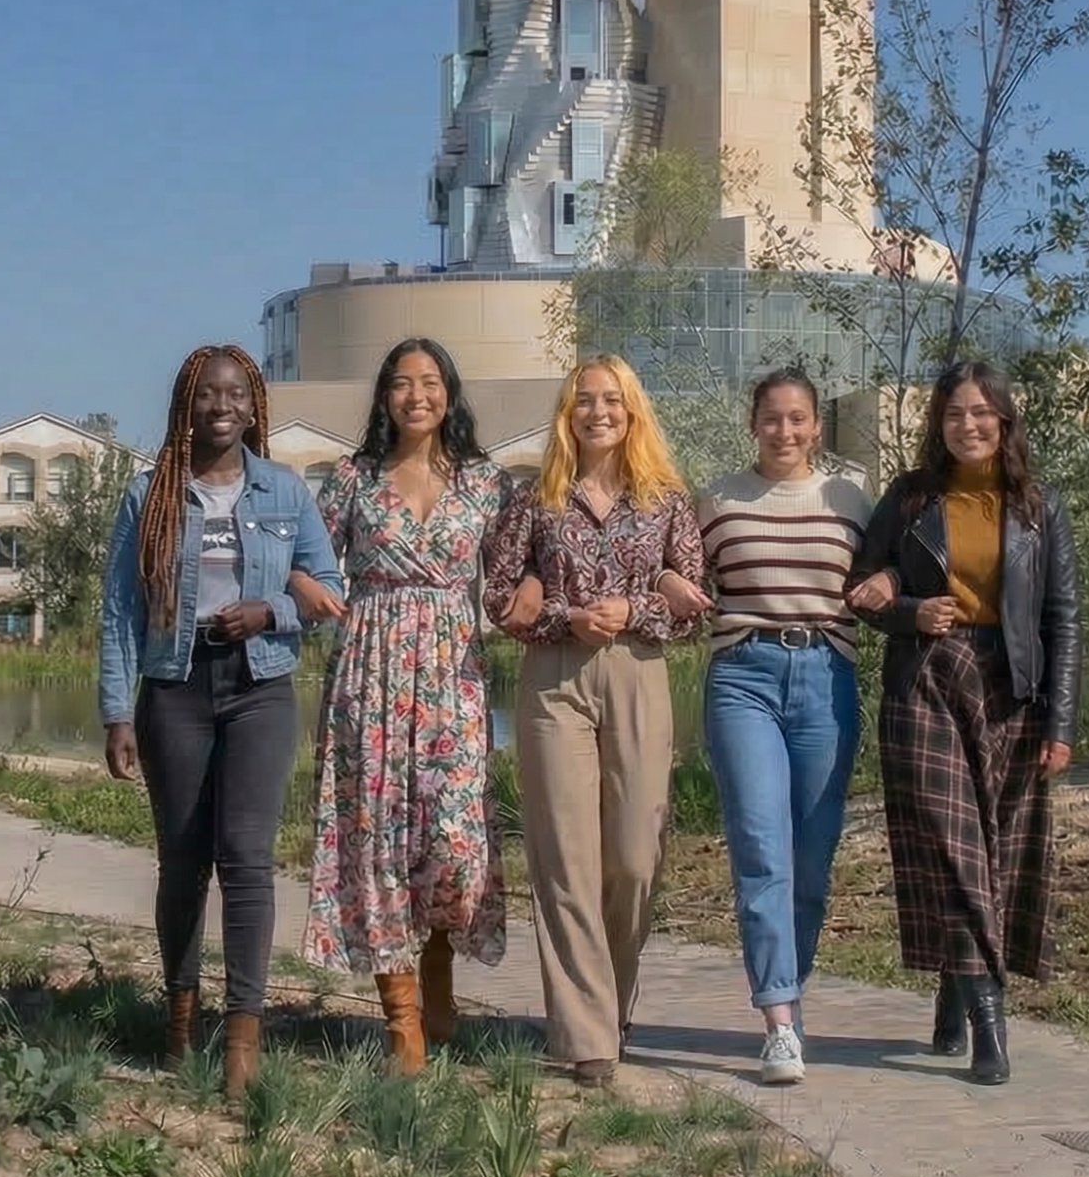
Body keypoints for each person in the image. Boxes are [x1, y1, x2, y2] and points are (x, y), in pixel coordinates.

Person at [99, 344, 346, 1104]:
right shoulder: (151, 496)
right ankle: (180, 1017)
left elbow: (329, 586)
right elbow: (119, 611)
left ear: (254, 405)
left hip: (260, 685)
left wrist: (269, 609)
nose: (221, 406)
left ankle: (243, 1035)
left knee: (246, 857)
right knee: (182, 861)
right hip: (174, 687)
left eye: (236, 393)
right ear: (186, 404)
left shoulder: (284, 492)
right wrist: (116, 711)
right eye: (207, 394)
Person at [846, 358, 1080, 1086]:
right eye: (954, 414)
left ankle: (954, 995)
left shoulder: (1039, 507)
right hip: (926, 682)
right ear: (938, 425)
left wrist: (1061, 723)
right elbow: (861, 586)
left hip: (1012, 689)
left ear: (1003, 420)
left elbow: (1063, 618)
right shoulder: (911, 499)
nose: (968, 425)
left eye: (981, 413)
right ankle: (990, 1024)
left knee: (997, 854)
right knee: (956, 849)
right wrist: (912, 609)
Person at [302, 338, 525, 1073]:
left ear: (450, 394)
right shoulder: (351, 479)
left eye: (430, 382)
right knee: (380, 843)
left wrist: (530, 596)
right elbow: (298, 555)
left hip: (454, 673)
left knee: (453, 845)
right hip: (371, 670)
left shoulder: (487, 484)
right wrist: (306, 587)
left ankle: (439, 987)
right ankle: (403, 1024)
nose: (416, 395)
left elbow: (524, 566)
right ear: (384, 397)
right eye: (401, 383)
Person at [484, 354, 706, 1088]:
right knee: (565, 859)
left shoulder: (668, 499)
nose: (598, 412)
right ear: (566, 413)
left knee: (635, 859)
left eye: (612, 400)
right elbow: (497, 596)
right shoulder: (534, 500)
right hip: (556, 680)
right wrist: (564, 613)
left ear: (633, 410)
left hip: (638, 673)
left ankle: (610, 997)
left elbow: (694, 607)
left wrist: (635, 609)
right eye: (585, 401)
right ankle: (585, 1036)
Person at [696, 369, 873, 1086]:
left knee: (812, 862)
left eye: (798, 419)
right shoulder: (716, 499)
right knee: (763, 850)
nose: (785, 432)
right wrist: (678, 587)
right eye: (772, 419)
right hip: (744, 677)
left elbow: (891, 573)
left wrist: (888, 584)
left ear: (817, 427)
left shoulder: (852, 500)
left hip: (826, 680)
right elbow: (674, 568)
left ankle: (791, 1002)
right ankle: (777, 1022)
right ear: (752, 423)